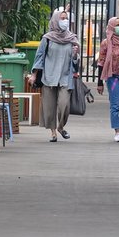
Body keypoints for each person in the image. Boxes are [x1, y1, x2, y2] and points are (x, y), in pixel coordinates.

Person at [28, 10, 80, 142]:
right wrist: (34, 75)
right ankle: (53, 132)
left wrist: (75, 55)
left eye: (66, 18)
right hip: (49, 76)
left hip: (65, 77)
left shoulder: (72, 38)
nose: (65, 21)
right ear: (56, 20)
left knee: (64, 105)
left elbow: (76, 63)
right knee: (49, 108)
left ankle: (61, 127)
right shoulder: (47, 38)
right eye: (62, 18)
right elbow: (39, 57)